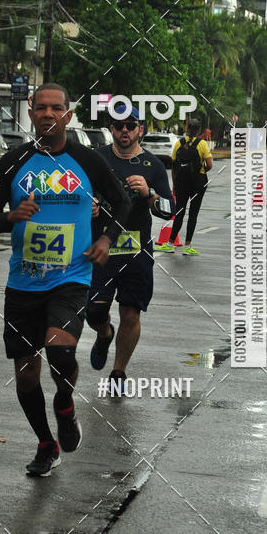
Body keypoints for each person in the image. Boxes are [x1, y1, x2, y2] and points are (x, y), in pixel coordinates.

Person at [0, 83, 130, 477]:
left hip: (71, 278)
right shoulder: (13, 161)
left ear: (68, 115)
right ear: (31, 113)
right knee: (27, 373)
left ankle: (65, 401)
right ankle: (46, 444)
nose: (48, 114)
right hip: (23, 283)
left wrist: (106, 240)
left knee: (60, 352)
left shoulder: (87, 160)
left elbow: (123, 203)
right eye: (41, 107)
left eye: (56, 108)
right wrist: (10, 217)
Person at [86, 105, 175, 395]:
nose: (124, 130)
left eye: (130, 125)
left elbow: (169, 211)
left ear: (140, 129)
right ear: (111, 128)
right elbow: (77, 193)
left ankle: (118, 372)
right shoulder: (96, 159)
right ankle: (104, 333)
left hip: (136, 250)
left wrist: (150, 194)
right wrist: (89, 205)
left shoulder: (153, 165)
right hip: (101, 247)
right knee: (94, 311)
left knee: (131, 313)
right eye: (118, 125)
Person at [156, 118, 212, 255]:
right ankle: (187, 246)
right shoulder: (202, 144)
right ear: (199, 130)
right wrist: (201, 170)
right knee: (193, 213)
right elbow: (210, 165)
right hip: (198, 182)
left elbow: (174, 165)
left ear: (187, 129)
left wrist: (175, 184)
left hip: (182, 182)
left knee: (179, 212)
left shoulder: (178, 143)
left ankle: (170, 243)